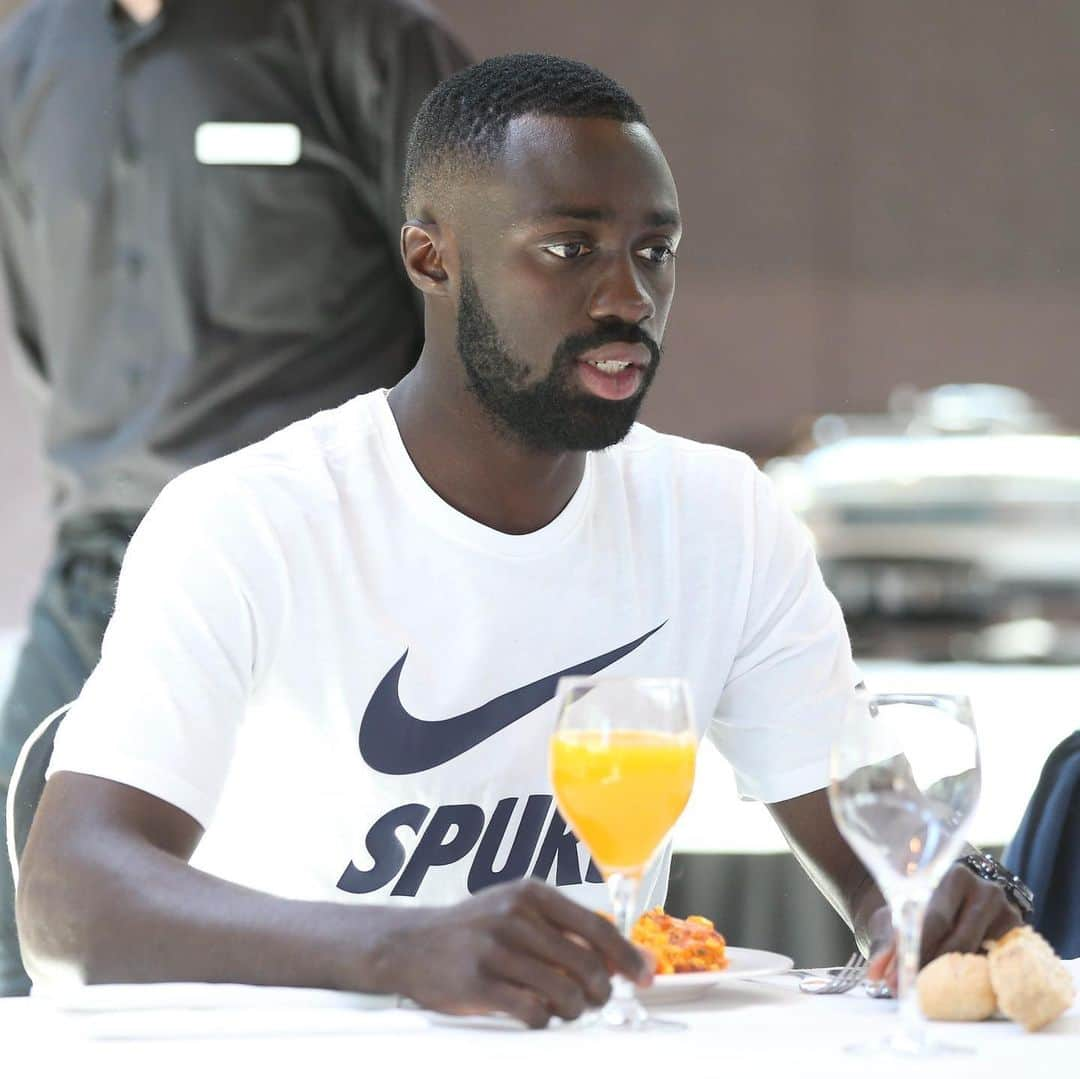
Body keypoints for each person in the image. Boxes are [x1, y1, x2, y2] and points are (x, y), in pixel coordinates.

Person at [16, 54, 1026, 1028]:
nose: (628, 295)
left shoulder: (723, 516)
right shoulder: (249, 520)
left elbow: (874, 854)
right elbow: (68, 901)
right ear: (431, 257)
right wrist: (396, 947)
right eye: (568, 247)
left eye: (654, 250)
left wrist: (941, 900)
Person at [0, 0, 469, 996]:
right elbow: (41, 318)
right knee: (18, 935)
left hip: (319, 571)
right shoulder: (29, 53)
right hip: (101, 564)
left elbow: (494, 296)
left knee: (324, 950)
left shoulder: (363, 38)